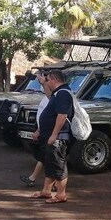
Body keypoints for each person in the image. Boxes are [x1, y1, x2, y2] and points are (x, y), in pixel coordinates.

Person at [31, 69, 73, 204]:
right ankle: (46, 191)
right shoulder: (57, 94)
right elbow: (50, 110)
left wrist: (54, 135)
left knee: (58, 164)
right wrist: (40, 130)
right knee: (49, 164)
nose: (46, 82)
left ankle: (61, 194)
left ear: (54, 79)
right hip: (49, 136)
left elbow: (62, 116)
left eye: (47, 80)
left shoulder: (63, 94)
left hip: (58, 137)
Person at [20, 71, 51, 187]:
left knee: (50, 158)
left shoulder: (53, 97)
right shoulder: (46, 97)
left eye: (46, 80)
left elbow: (51, 117)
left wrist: (39, 130)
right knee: (45, 157)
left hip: (49, 132)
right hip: (44, 130)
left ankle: (52, 185)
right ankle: (33, 178)